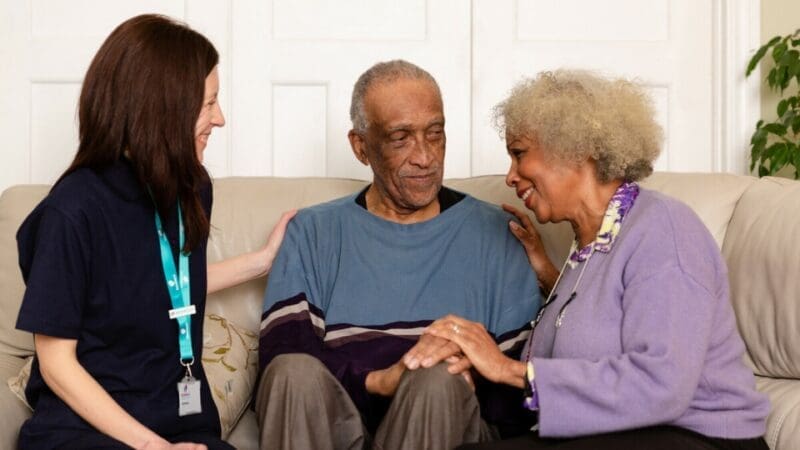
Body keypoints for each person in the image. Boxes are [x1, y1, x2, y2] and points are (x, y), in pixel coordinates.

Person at [418, 69, 771, 450]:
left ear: (573, 149)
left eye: (519, 154)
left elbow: (662, 384)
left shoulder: (663, 228)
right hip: (619, 435)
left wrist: (508, 370)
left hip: (700, 437)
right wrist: (470, 361)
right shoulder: (588, 249)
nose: (510, 177)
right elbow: (597, 324)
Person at [15, 14, 294, 450]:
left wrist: (262, 261)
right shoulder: (72, 210)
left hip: (179, 424)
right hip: (84, 432)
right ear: (162, 108)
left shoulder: (192, 188)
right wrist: (153, 448)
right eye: (208, 104)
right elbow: (56, 364)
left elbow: (160, 287)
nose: (220, 118)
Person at [255, 60, 542, 450]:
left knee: (437, 377)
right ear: (361, 147)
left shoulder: (497, 234)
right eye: (401, 138)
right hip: (339, 428)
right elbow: (282, 360)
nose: (424, 157)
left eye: (435, 134)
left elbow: (517, 397)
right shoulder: (313, 231)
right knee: (291, 371)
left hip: (449, 424)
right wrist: (379, 381)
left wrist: (458, 369)